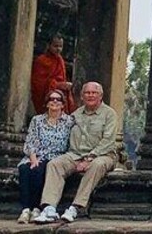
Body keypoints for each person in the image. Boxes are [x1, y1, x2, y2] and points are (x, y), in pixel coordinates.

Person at [34, 82, 117, 223]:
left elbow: (108, 141)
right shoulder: (75, 114)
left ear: (101, 96)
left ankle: (76, 207)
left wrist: (89, 158)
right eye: (87, 93)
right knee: (55, 164)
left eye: (94, 93)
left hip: (103, 155)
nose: (90, 95)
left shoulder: (109, 114)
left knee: (96, 165)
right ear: (82, 96)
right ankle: (49, 208)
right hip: (75, 154)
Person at [16, 89, 73, 224]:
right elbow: (31, 140)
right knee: (25, 169)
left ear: (62, 104)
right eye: (51, 99)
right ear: (47, 104)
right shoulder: (37, 120)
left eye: (57, 99)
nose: (54, 101)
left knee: (39, 171)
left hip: (56, 156)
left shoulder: (69, 122)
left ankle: (36, 208)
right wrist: (33, 158)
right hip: (36, 155)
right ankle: (25, 210)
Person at [30, 35, 75, 114]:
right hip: (48, 97)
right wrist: (57, 85)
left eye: (61, 46)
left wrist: (65, 86)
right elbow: (38, 84)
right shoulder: (41, 61)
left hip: (61, 97)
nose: (58, 49)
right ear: (48, 45)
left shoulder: (60, 60)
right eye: (55, 46)